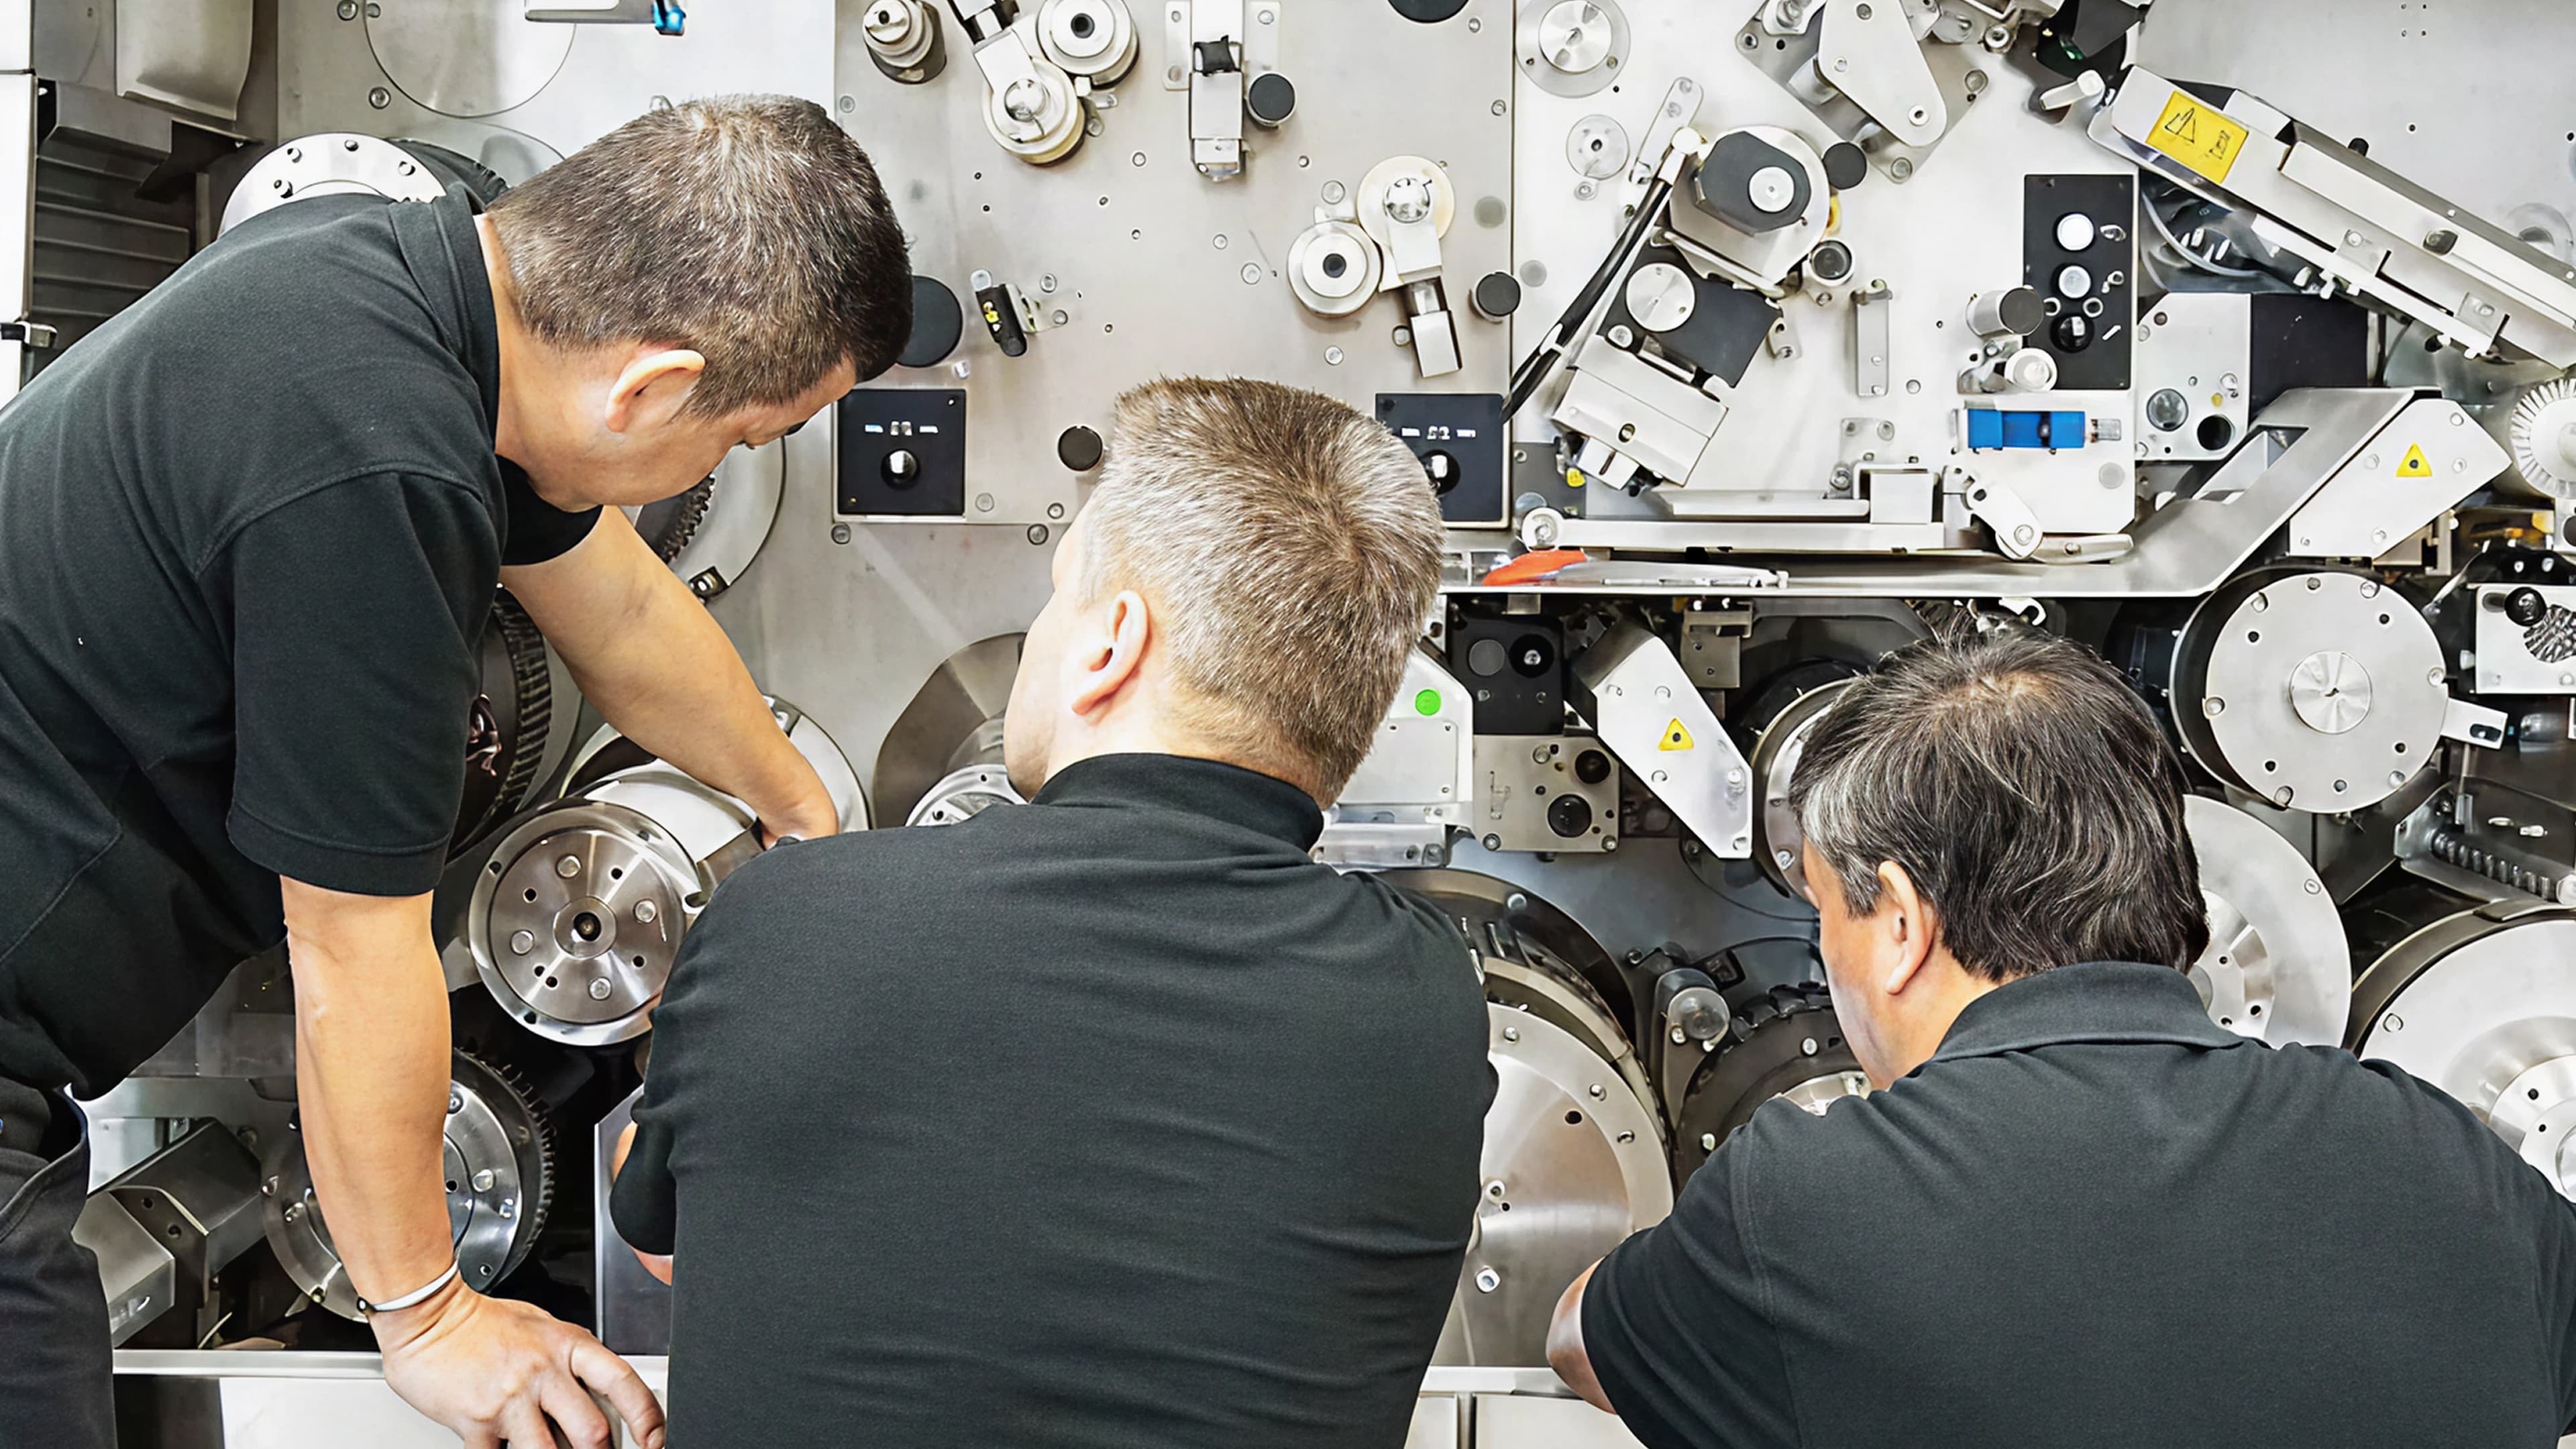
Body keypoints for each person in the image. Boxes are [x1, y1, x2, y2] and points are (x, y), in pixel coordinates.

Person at [0, 97, 911, 1449]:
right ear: (652, 386)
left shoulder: (407, 293)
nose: (720, 465)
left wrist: (803, 820)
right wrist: (425, 1316)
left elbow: (620, 612)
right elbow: (355, 953)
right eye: (738, 441)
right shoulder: (370, 461)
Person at [609, 377, 1495, 1447]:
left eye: (1057, 592)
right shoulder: (1426, 1004)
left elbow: (662, 1230)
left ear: (1113, 643)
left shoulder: (784, 923)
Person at [1547, 627, 2576, 1448]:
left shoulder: (1805, 1201)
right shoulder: (2443, 1158)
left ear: (1900, 925)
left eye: (1826, 913)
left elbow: (1579, 1345)